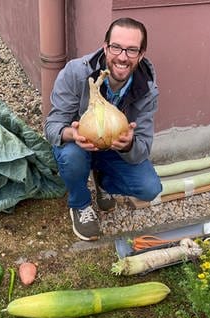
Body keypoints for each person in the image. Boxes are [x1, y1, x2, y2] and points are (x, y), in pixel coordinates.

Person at [44, 17, 162, 241]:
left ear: (141, 54)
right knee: (71, 155)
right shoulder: (76, 73)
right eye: (116, 47)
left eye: (132, 50)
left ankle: (102, 180)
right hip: (79, 147)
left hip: (113, 150)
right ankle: (80, 203)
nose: (122, 57)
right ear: (105, 46)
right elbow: (52, 127)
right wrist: (73, 134)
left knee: (150, 188)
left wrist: (128, 144)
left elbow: (143, 148)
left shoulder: (147, 89)